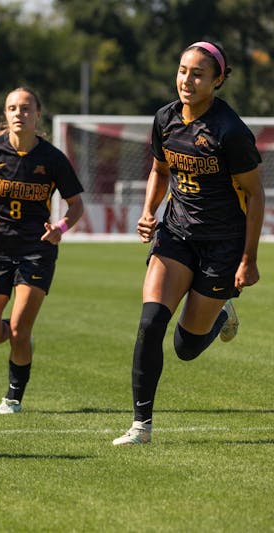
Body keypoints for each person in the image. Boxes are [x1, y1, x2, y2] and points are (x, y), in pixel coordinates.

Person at [113, 42, 264, 445]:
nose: (187, 80)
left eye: (198, 73)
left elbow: (255, 195)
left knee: (185, 346)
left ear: (218, 80)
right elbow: (159, 171)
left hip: (223, 245)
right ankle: (140, 425)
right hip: (175, 234)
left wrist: (248, 259)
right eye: (182, 70)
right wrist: (149, 212)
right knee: (149, 324)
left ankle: (219, 315)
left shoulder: (230, 131)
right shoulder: (164, 118)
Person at [0, 87, 85, 414]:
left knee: (19, 329)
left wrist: (60, 228)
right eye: (13, 108)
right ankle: (17, 335)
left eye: (26, 108)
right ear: (6, 113)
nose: (19, 113)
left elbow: (76, 205)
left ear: (37, 114)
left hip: (36, 250)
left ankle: (13, 397)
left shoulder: (53, 158)